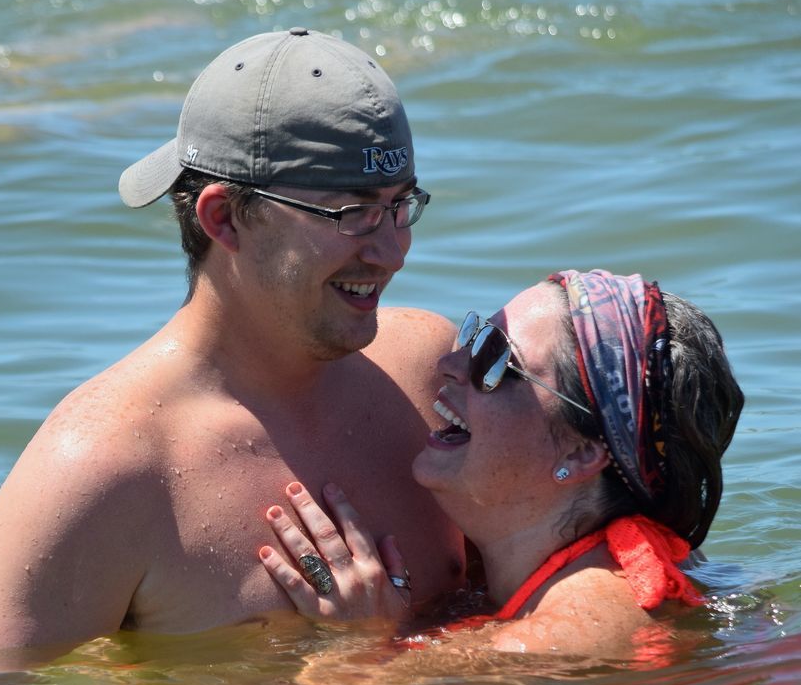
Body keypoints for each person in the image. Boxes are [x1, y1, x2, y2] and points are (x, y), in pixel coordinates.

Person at [0, 29, 466, 666]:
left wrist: (385, 658)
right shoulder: (108, 469)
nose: (392, 251)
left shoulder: (430, 375)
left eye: (400, 205)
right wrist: (350, 672)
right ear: (224, 218)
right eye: (351, 212)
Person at [258, 268, 744, 663]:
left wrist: (359, 639)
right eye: (475, 334)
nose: (449, 364)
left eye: (497, 364)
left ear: (581, 453)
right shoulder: (578, 572)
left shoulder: (556, 638)